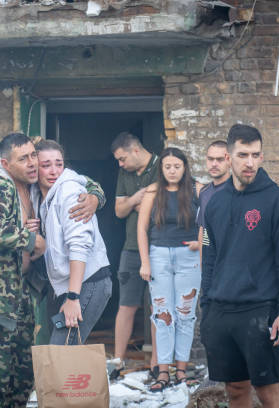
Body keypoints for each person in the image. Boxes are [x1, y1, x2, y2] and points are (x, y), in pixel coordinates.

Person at [0, 133, 104, 408]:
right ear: (6, 164)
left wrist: (95, 197)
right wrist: (33, 239)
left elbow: (80, 180)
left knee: (24, 372)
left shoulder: (44, 187)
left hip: (26, 294)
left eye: (35, 157)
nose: (34, 164)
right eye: (26, 159)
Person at [200, 124, 279, 407]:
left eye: (256, 155)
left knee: (268, 392)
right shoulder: (215, 203)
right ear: (229, 157)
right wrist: (206, 306)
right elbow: (209, 259)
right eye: (243, 154)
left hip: (260, 310)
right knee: (234, 389)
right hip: (220, 310)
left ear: (262, 157)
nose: (250, 162)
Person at [29, 140, 112, 345]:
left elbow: (78, 245)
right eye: (46, 165)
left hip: (88, 282)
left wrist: (73, 298)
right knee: (66, 353)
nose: (54, 171)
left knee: (61, 350)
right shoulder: (37, 195)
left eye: (59, 163)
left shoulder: (69, 191)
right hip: (63, 285)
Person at [137, 147, 201, 391]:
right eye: (167, 167)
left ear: (184, 168)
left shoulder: (197, 189)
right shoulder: (153, 192)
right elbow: (142, 228)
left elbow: (208, 223)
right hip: (159, 256)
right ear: (161, 169)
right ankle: (163, 372)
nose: (172, 171)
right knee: (163, 315)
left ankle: (181, 371)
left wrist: (200, 243)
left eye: (177, 166)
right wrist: (145, 262)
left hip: (189, 257)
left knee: (185, 313)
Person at [110, 131, 160, 376]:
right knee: (126, 305)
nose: (120, 164)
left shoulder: (164, 166)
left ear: (136, 151)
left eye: (122, 159)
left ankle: (156, 365)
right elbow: (119, 210)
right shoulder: (125, 173)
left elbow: (163, 205)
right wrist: (137, 199)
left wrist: (141, 203)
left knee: (157, 307)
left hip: (160, 247)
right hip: (130, 248)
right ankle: (118, 361)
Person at [196, 140, 230, 261]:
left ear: (229, 161)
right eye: (210, 159)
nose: (214, 164)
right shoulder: (204, 192)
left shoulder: (237, 191)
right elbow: (203, 231)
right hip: (211, 261)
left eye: (220, 159)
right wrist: (202, 264)